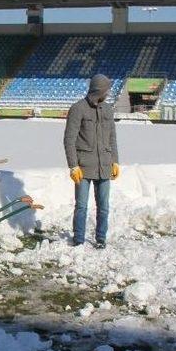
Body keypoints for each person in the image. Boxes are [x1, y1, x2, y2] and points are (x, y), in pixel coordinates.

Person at [63, 74, 120, 249]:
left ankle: (101, 238)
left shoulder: (108, 110)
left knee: (104, 206)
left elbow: (112, 138)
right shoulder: (78, 109)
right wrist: (73, 165)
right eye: (106, 90)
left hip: (104, 166)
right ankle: (79, 239)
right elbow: (69, 139)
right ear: (98, 91)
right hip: (84, 167)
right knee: (81, 206)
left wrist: (115, 161)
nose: (108, 93)